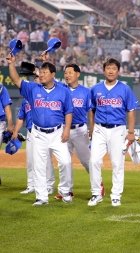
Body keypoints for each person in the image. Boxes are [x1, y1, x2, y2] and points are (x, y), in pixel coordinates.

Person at [7, 56, 73, 206]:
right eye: (40, 72)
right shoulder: (32, 88)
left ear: (53, 74)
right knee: (38, 165)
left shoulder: (63, 91)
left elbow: (68, 111)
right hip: (38, 133)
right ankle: (41, 197)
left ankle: (64, 192)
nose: (41, 74)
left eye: (44, 72)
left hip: (57, 133)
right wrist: (11, 64)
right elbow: (16, 79)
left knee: (66, 162)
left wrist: (67, 129)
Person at [88, 58, 138, 207]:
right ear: (104, 70)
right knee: (94, 161)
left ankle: (116, 195)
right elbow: (92, 110)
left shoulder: (125, 89)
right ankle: (96, 193)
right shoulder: (95, 88)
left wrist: (131, 132)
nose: (110, 71)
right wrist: (91, 128)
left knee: (117, 163)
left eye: (113, 68)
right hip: (100, 129)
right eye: (108, 68)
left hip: (118, 129)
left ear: (118, 71)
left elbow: (131, 111)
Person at [53, 64, 95, 200]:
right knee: (64, 162)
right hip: (63, 130)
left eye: (70, 72)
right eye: (65, 73)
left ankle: (98, 187)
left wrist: (92, 127)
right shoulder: (60, 89)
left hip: (79, 130)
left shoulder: (86, 91)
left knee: (87, 161)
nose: (67, 75)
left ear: (78, 74)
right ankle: (66, 191)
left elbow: (90, 110)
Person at [14, 67, 56, 195]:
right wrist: (15, 131)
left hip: (45, 131)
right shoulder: (27, 99)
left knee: (47, 160)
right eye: (35, 78)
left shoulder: (49, 94)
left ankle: (49, 185)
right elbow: (21, 117)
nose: (37, 79)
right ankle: (31, 184)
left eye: (38, 77)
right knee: (31, 160)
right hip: (31, 132)